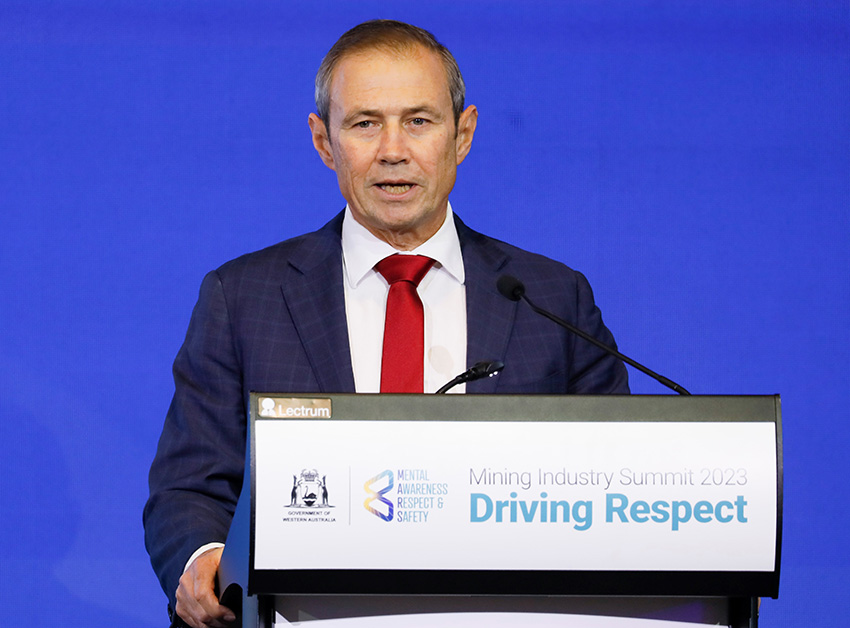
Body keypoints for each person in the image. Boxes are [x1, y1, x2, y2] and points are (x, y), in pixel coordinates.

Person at [144, 19, 629, 628]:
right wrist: (205, 558)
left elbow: (610, 490)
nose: (393, 149)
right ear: (324, 141)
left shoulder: (552, 299)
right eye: (365, 123)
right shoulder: (244, 297)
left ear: (464, 134)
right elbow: (189, 487)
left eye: (419, 121)